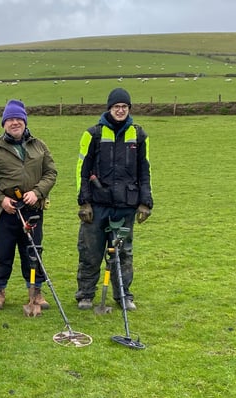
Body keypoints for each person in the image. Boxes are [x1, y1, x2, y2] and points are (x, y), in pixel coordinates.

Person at [75, 87, 153, 311]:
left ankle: (123, 296)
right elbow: (82, 168)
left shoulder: (138, 136)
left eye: (124, 107)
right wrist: (84, 202)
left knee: (123, 253)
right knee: (90, 252)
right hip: (97, 205)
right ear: (109, 108)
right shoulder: (93, 134)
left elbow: (145, 171)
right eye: (116, 106)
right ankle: (85, 295)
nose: (120, 110)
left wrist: (145, 202)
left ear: (129, 109)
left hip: (126, 206)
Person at [0, 100, 57, 314]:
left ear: (25, 121)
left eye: (18, 119)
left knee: (33, 252)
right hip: (7, 211)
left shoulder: (39, 146)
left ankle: (35, 292)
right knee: (3, 253)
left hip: (33, 210)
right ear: (4, 123)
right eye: (10, 119)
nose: (15, 123)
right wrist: (1, 199)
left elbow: (51, 173)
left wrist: (37, 193)